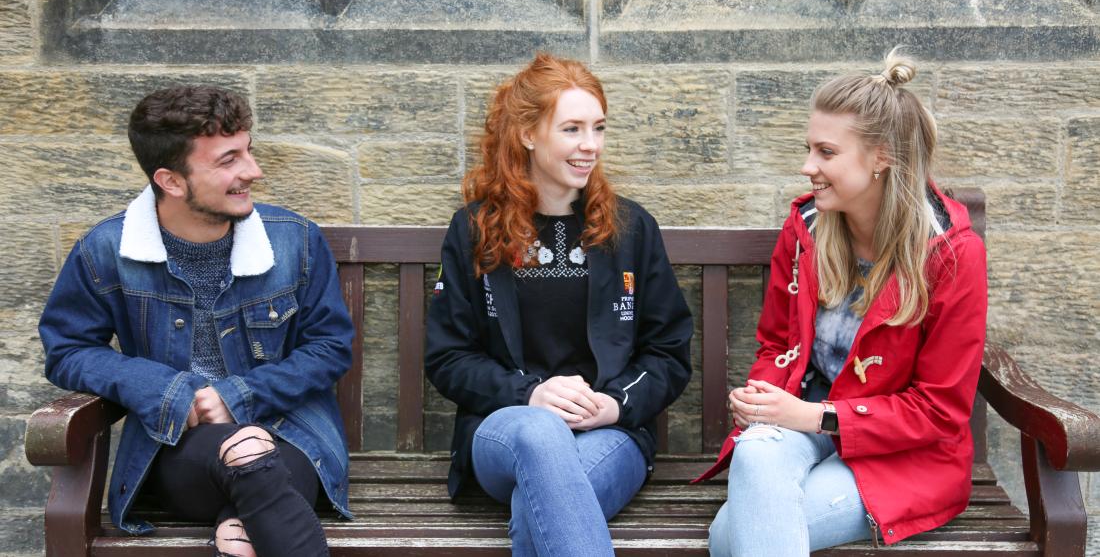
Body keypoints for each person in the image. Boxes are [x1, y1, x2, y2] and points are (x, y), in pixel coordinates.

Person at [39, 85, 354, 557]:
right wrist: (161, 388)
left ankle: (235, 530)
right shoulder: (106, 250)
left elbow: (330, 346)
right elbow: (67, 350)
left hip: (290, 434)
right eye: (229, 160)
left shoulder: (296, 240)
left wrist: (239, 396)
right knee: (247, 457)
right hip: (177, 446)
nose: (253, 171)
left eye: (248, 151)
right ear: (171, 181)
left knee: (248, 492)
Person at [698, 49, 988, 555]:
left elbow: (940, 411)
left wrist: (813, 417)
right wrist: (762, 400)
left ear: (882, 158)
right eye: (809, 148)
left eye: (826, 153)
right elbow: (775, 343)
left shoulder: (951, 255)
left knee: (729, 536)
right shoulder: (806, 229)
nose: (807, 166)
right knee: (757, 463)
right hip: (801, 421)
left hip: (902, 456)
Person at [425, 53, 693, 556]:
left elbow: (668, 352)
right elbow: (448, 358)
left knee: (538, 511)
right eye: (572, 129)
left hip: (609, 433)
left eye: (598, 128)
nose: (589, 145)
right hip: (506, 428)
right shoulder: (474, 230)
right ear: (528, 133)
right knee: (541, 434)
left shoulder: (631, 229)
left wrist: (615, 404)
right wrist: (530, 394)